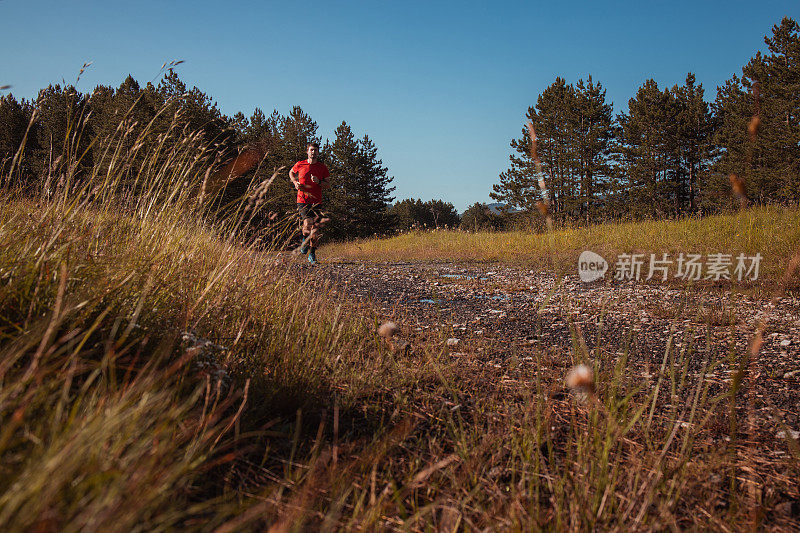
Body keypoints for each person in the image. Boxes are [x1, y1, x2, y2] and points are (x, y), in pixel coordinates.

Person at [289, 142, 330, 264]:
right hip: (303, 200)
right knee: (307, 223)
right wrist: (295, 182)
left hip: (317, 201)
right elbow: (291, 172)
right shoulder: (300, 164)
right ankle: (304, 241)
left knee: (315, 230)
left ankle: (312, 254)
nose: (313, 152)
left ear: (318, 152)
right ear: (307, 151)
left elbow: (327, 185)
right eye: (311, 150)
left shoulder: (322, 168)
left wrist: (318, 182)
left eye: (315, 150)